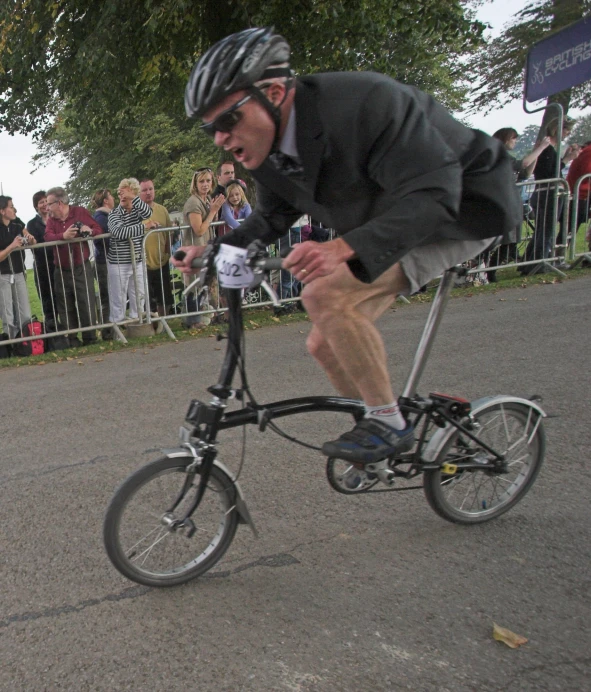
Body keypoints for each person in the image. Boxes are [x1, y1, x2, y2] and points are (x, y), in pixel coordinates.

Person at [174, 27, 521, 465]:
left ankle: (388, 426)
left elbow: (435, 195)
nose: (221, 138)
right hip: (393, 214)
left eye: (228, 120)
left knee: (323, 293)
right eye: (211, 129)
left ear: (276, 92)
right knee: (323, 344)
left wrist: (343, 248)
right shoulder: (262, 148)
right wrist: (216, 250)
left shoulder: (366, 103)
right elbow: (272, 217)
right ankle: (390, 422)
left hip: (459, 208)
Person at [44, 186, 103, 346]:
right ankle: (71, 339)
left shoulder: (80, 212)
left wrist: (88, 231)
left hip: (81, 266)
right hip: (61, 269)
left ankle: (90, 338)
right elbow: (47, 237)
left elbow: (97, 228)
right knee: (65, 305)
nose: (47, 208)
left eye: (49, 204)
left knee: (86, 302)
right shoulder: (51, 220)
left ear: (60, 202)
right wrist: (62, 236)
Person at [520, 118, 578, 273]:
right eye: (567, 130)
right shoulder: (548, 150)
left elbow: (553, 169)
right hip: (547, 194)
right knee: (547, 231)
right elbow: (551, 173)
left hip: (544, 193)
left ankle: (530, 263)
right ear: (558, 129)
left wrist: (565, 158)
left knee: (542, 230)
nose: (568, 134)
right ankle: (540, 263)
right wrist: (567, 160)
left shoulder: (550, 150)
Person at [107, 178, 154, 328]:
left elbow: (148, 212)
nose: (122, 195)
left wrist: (134, 198)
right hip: (118, 263)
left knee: (139, 294)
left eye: (126, 191)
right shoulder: (114, 214)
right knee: (118, 298)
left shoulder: (138, 211)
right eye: (121, 191)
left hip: (137, 260)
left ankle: (137, 322)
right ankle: (118, 326)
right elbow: (120, 232)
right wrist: (144, 227)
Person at [181, 168, 225, 326]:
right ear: (195, 183)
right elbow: (198, 229)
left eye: (208, 181)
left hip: (206, 249)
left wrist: (213, 210)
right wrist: (213, 211)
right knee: (194, 285)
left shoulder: (206, 200)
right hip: (195, 250)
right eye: (201, 181)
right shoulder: (193, 202)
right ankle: (192, 320)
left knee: (208, 284)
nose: (205, 184)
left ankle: (211, 316)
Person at [0, 195, 34, 339]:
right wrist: (12, 246)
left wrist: (30, 239)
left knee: (25, 313)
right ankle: (11, 343)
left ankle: (25, 342)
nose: (14, 209)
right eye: (11, 206)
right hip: (3, 275)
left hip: (19, 273)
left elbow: (28, 236)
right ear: (2, 211)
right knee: (7, 314)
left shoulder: (17, 223)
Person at [139, 179, 174, 316]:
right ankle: (149, 322)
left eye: (150, 189)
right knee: (145, 297)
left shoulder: (162, 210)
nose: (148, 193)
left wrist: (168, 252)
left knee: (164, 295)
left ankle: (163, 322)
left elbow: (169, 233)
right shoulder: (135, 212)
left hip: (161, 261)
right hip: (142, 263)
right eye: (144, 190)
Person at [26, 190, 57, 331]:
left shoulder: (56, 219)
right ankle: (51, 329)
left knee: (61, 297)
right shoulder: (32, 224)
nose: (44, 204)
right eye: (41, 202)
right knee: (47, 298)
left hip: (58, 264)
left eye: (46, 201)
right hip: (42, 266)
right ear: (36, 206)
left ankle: (64, 329)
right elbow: (35, 246)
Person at [92, 188, 115, 336]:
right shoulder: (101, 218)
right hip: (104, 262)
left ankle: (112, 326)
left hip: (108, 260)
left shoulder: (106, 216)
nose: (113, 198)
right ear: (106, 200)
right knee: (107, 296)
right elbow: (100, 240)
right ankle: (107, 330)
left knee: (112, 295)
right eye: (111, 196)